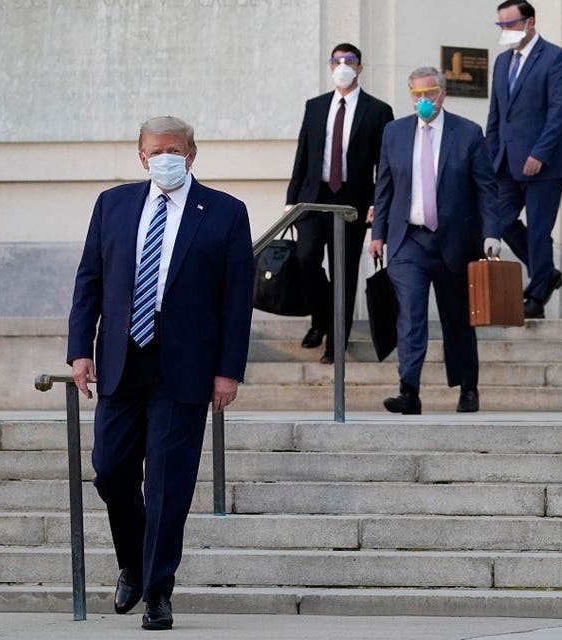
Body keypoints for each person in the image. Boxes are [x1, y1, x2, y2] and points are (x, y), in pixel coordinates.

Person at [67, 116, 254, 630]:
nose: (164, 157)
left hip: (186, 369)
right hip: (122, 363)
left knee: (169, 484)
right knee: (110, 470)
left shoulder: (225, 212)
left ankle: (158, 591)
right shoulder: (114, 205)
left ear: (192, 154)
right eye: (155, 150)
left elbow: (238, 302)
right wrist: (79, 350)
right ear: (140, 156)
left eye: (174, 149)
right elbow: (90, 279)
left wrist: (228, 371)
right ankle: (133, 562)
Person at [369, 67, 509, 414]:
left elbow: (486, 189)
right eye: (415, 94)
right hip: (408, 241)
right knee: (411, 315)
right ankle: (409, 390)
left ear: (442, 94)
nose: (422, 101)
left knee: (457, 318)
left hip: (455, 241)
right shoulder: (394, 133)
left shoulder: (468, 133)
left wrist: (492, 233)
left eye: (428, 94)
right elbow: (383, 187)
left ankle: (468, 387)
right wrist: (378, 234)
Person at [286, 43, 394, 363]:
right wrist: (291, 200)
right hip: (313, 197)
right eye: (338, 61)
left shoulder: (378, 111)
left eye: (350, 61)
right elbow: (303, 154)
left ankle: (336, 342)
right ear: (330, 66)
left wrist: (378, 204)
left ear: (360, 68)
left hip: (353, 201)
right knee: (305, 259)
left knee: (343, 272)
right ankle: (320, 318)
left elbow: (383, 164)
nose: (343, 65)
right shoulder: (315, 106)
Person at [486, 0, 562, 319]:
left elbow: (558, 113)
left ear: (530, 22)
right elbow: (495, 115)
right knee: (499, 221)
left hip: (543, 164)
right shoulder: (500, 62)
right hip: (506, 162)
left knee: (538, 228)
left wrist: (540, 153)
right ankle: (546, 272)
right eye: (501, 25)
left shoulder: (555, 59)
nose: (505, 31)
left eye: (510, 24)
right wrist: (489, 158)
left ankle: (537, 296)